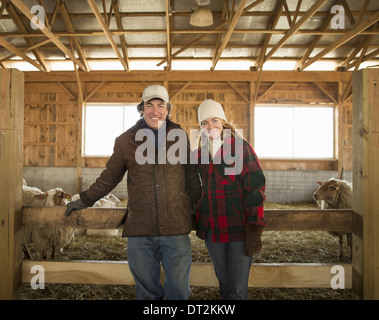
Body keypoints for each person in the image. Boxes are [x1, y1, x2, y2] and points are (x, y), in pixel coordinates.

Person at [65, 85, 201, 300]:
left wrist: (197, 206)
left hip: (175, 227)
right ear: (141, 109)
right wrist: (85, 199)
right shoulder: (126, 141)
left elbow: (192, 176)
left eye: (160, 106)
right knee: (146, 293)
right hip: (141, 230)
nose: (155, 111)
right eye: (150, 106)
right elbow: (110, 176)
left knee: (179, 292)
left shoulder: (181, 137)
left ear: (168, 110)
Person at [194, 99, 266, 300]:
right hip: (212, 228)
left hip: (239, 227)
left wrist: (254, 226)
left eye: (214, 120)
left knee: (236, 288)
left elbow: (256, 187)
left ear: (223, 122)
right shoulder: (199, 153)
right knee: (224, 283)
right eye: (204, 123)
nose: (210, 126)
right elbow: (196, 186)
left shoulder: (241, 148)